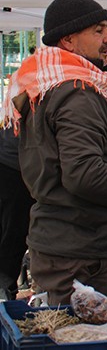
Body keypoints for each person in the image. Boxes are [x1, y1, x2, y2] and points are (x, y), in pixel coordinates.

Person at [1, 0, 107, 305]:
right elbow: (84, 174)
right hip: (79, 249)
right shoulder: (77, 92)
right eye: (98, 30)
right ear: (68, 40)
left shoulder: (46, 83)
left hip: (67, 241)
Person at [0, 128, 35, 301]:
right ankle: (5, 290)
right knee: (13, 234)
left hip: (13, 160)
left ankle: (7, 288)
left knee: (12, 233)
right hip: (16, 166)